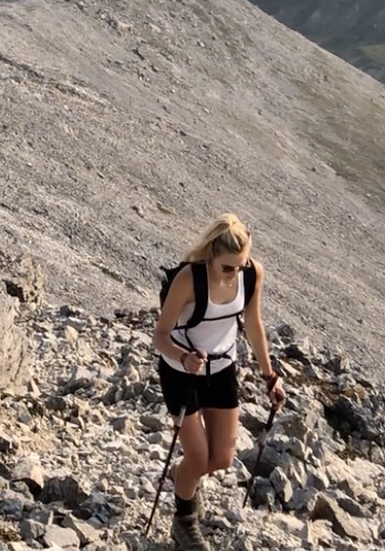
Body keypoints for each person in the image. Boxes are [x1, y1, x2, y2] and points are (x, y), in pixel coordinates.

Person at [152, 214, 284, 551]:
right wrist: (184, 357)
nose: (235, 273)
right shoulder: (188, 279)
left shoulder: (251, 273)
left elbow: (253, 324)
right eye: (228, 267)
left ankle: (182, 480)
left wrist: (269, 376)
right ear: (211, 255)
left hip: (223, 369)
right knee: (197, 458)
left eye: (240, 266)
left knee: (222, 459)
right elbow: (160, 336)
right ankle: (183, 523)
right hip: (181, 372)